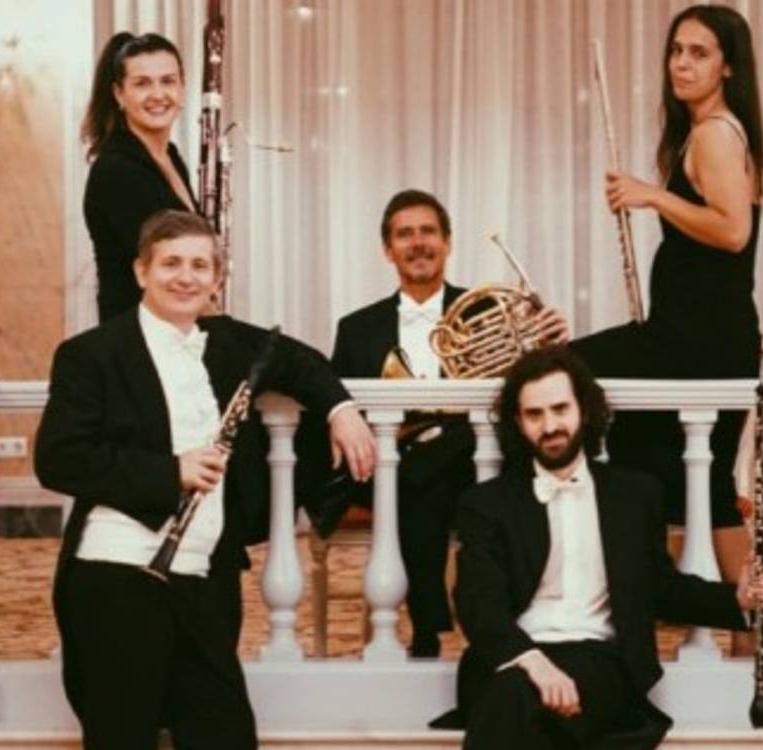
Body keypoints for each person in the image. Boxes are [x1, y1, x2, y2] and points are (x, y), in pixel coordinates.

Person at [34, 210, 377, 749]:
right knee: (122, 737)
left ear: (217, 279)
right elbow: (58, 458)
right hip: (116, 575)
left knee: (225, 734)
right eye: (170, 263)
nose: (185, 277)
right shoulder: (92, 353)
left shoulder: (227, 343)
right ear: (142, 271)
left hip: (204, 578)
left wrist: (341, 409)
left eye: (200, 265)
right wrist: (172, 471)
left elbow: (299, 360)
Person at [435, 347, 763, 749]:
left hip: (597, 660)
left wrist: (736, 598)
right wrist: (533, 663)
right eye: (534, 414)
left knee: (513, 703)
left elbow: (660, 587)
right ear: (517, 422)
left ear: (583, 409)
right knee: (517, 696)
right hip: (510, 656)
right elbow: (478, 601)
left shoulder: (634, 495)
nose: (550, 426)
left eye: (560, 409)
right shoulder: (486, 503)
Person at [570, 4, 763, 654]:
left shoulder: (714, 134)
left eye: (699, 53)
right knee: (701, 483)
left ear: (728, 66)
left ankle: (632, 589)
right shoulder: (709, 133)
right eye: (676, 50)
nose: (681, 63)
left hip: (694, 342)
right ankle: (751, 631)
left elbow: (732, 231)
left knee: (559, 374)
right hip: (705, 337)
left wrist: (650, 195)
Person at [297, 189, 570, 658]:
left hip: (470, 459)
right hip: (392, 465)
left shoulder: (486, 311)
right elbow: (344, 408)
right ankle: (455, 624)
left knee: (424, 472)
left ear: (448, 243)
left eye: (428, 232)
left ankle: (429, 631)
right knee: (420, 476)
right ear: (388, 250)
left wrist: (551, 344)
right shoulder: (356, 327)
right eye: (405, 234)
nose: (418, 242)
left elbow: (533, 386)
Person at [82, 32, 202, 322]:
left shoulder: (170, 155)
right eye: (142, 83)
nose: (158, 94)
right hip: (139, 338)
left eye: (168, 81)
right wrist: (222, 327)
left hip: (177, 329)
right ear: (119, 94)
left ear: (182, 88)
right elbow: (172, 276)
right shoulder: (117, 170)